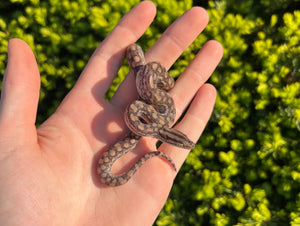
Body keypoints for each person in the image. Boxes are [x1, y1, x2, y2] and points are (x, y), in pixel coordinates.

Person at [0, 1, 223, 225]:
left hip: (150, 102)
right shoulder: (147, 117)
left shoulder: (151, 119)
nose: (184, 142)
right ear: (170, 136)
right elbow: (141, 91)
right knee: (141, 68)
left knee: (141, 67)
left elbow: (140, 72)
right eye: (183, 142)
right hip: (149, 102)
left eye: (182, 141)